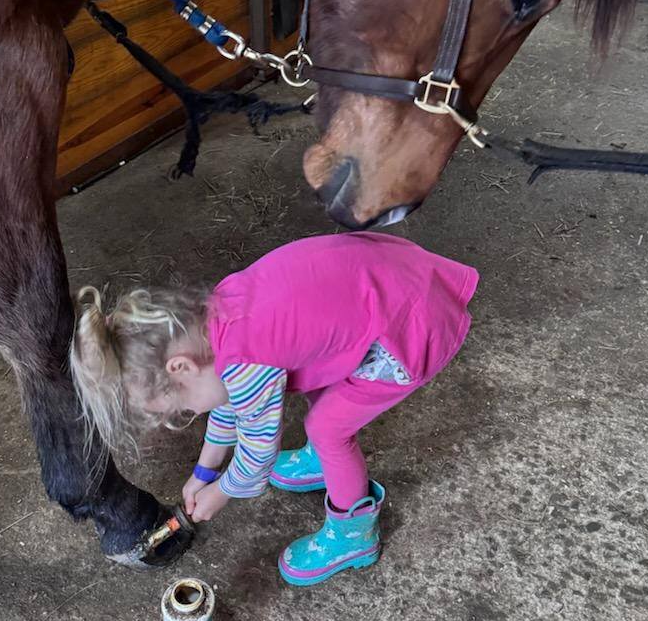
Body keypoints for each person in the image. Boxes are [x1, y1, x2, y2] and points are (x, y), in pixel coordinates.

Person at [71, 234, 478, 587]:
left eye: (182, 408)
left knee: (328, 429)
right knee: (316, 378)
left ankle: (353, 534)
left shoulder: (246, 364)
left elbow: (257, 454)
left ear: (180, 368)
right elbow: (228, 402)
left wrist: (221, 492)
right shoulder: (209, 322)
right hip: (386, 285)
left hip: (410, 323)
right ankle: (325, 464)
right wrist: (204, 472)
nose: (189, 411)